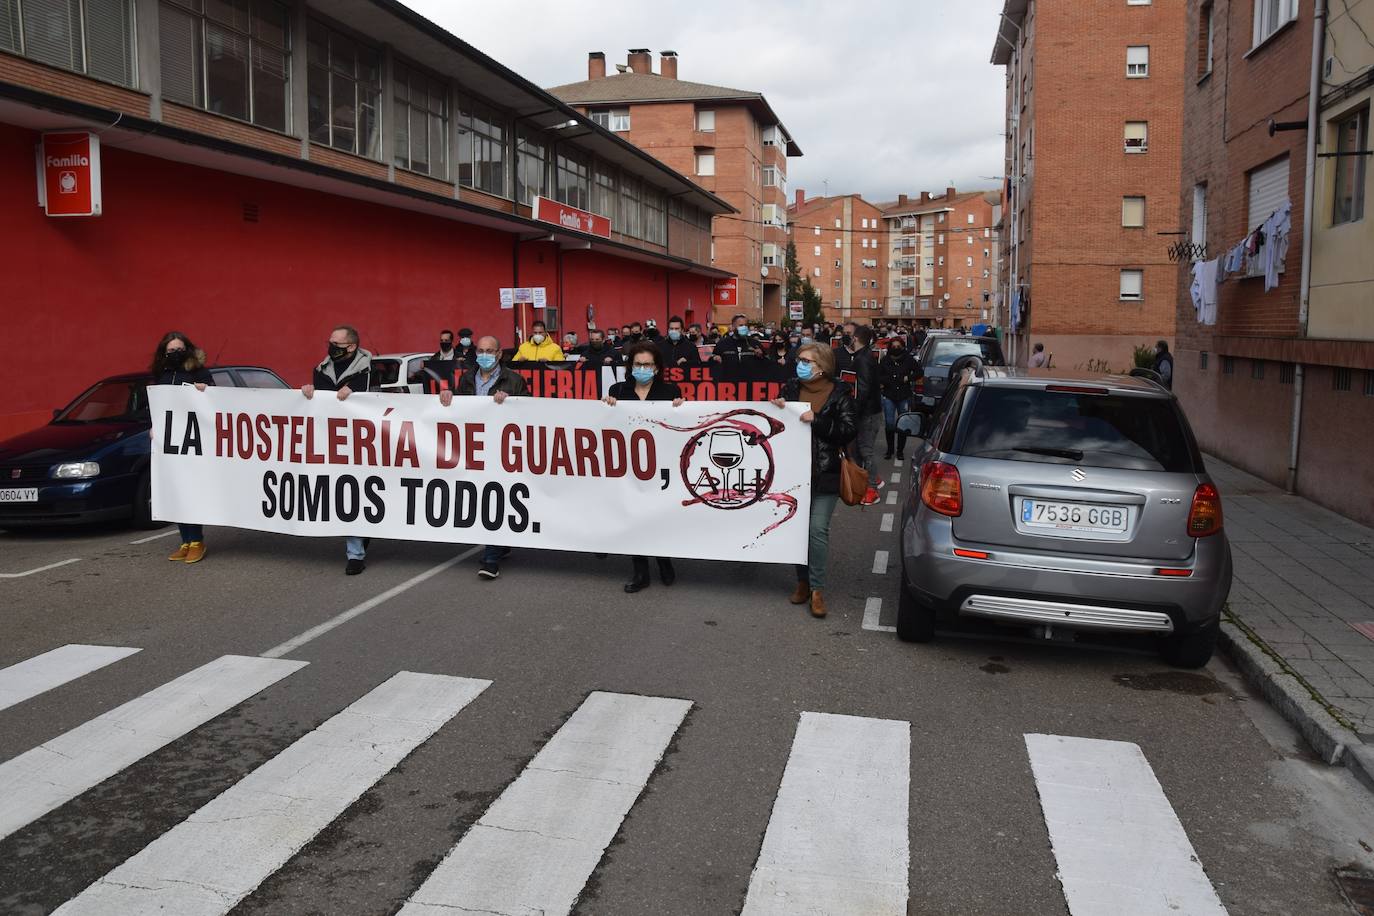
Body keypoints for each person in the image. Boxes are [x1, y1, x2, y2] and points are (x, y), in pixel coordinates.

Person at [770, 343, 857, 619]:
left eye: (807, 360)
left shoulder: (841, 393)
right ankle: (803, 581)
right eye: (800, 359)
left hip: (826, 472)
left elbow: (847, 430)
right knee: (798, 530)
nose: (801, 364)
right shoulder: (791, 388)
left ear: (822, 366)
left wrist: (817, 420)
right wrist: (777, 407)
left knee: (817, 530)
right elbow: (777, 422)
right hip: (795, 474)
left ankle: (817, 590)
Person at [604, 341, 685, 593]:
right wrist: (605, 407)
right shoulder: (617, 390)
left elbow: (680, 426)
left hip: (661, 462)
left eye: (648, 364)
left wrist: (681, 409)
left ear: (657, 368)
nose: (642, 368)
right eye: (638, 364)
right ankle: (640, 572)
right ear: (630, 366)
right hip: (629, 464)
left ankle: (664, 560)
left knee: (658, 514)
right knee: (634, 516)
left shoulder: (670, 391)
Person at [445, 336, 529, 579]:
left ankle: (491, 557)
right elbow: (460, 409)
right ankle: (500, 545)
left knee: (495, 496)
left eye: (490, 351)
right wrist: (448, 399)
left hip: (502, 448)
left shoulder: (513, 380)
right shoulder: (467, 378)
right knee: (482, 497)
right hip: (475, 448)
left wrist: (512, 402)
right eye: (480, 351)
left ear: (499, 354)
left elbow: (529, 411)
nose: (484, 355)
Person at [303, 325, 372, 575]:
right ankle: (356, 547)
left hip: (366, 441)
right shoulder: (321, 370)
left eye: (336, 343)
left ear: (352, 346)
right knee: (346, 492)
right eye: (329, 342)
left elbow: (383, 400)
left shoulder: (372, 370)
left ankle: (360, 543)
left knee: (361, 492)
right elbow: (319, 404)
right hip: (334, 441)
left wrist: (358, 394)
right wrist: (309, 395)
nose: (331, 347)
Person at [152, 332, 214, 564]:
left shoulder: (200, 372)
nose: (175, 354)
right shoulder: (163, 374)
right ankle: (185, 541)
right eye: (171, 351)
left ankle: (197, 541)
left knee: (190, 491)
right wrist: (154, 427)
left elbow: (217, 402)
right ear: (164, 353)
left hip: (194, 440)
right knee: (177, 491)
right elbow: (159, 407)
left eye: (179, 349)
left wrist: (204, 391)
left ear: (187, 349)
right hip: (170, 441)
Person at [836, 326, 882, 504]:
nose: (846, 338)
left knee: (865, 450)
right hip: (867, 411)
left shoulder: (862, 359)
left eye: (849, 335)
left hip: (867, 413)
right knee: (859, 450)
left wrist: (852, 411)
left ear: (855, 338)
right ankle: (873, 479)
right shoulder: (864, 356)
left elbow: (862, 389)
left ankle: (872, 488)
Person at [878, 337, 921, 460]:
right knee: (889, 423)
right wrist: (885, 382)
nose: (896, 349)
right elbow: (879, 375)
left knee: (903, 423)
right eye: (894, 346)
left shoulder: (908, 359)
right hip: (889, 394)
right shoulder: (885, 360)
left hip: (903, 394)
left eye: (898, 346)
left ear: (902, 347)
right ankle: (890, 449)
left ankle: (900, 450)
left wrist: (909, 378)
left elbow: (919, 372)